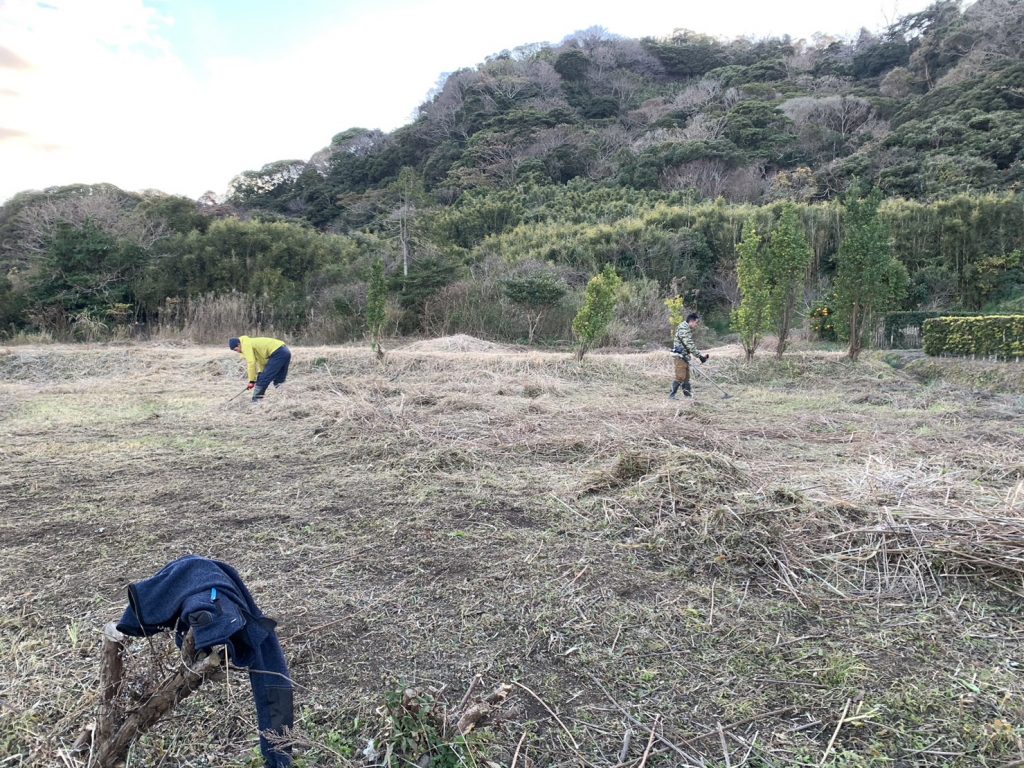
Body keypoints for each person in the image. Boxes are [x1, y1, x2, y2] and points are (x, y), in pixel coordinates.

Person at [229, 336, 291, 401]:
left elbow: (251, 363)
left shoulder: (245, 345)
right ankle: (284, 399)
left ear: (239, 344)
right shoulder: (251, 343)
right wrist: (260, 373)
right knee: (279, 380)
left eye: (236, 349)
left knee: (263, 380)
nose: (237, 352)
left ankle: (256, 401)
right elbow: (262, 361)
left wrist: (252, 381)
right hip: (285, 351)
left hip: (278, 353)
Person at [669, 312, 709, 399]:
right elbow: (689, 344)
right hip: (679, 356)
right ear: (691, 321)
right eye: (696, 322)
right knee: (680, 376)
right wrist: (699, 356)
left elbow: (688, 345)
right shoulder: (683, 329)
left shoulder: (686, 329)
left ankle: (688, 396)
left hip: (685, 356)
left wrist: (699, 356)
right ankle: (672, 395)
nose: (696, 325)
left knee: (686, 377)